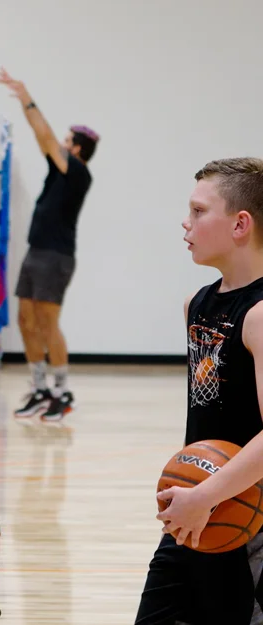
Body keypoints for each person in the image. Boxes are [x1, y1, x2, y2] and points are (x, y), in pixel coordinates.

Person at [136, 157, 263, 624]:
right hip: (194, 507)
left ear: (240, 224)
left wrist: (207, 494)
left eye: (198, 211)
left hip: (245, 518)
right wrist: (195, 495)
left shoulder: (260, 314)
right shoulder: (197, 304)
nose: (185, 223)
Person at [0, 67, 98, 421]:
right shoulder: (59, 170)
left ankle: (61, 391)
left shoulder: (79, 172)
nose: (60, 144)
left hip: (56, 256)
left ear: (77, 148)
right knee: (26, 319)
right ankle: (39, 388)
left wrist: (27, 99)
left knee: (48, 322)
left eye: (67, 141)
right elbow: (46, 141)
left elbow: (45, 137)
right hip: (37, 252)